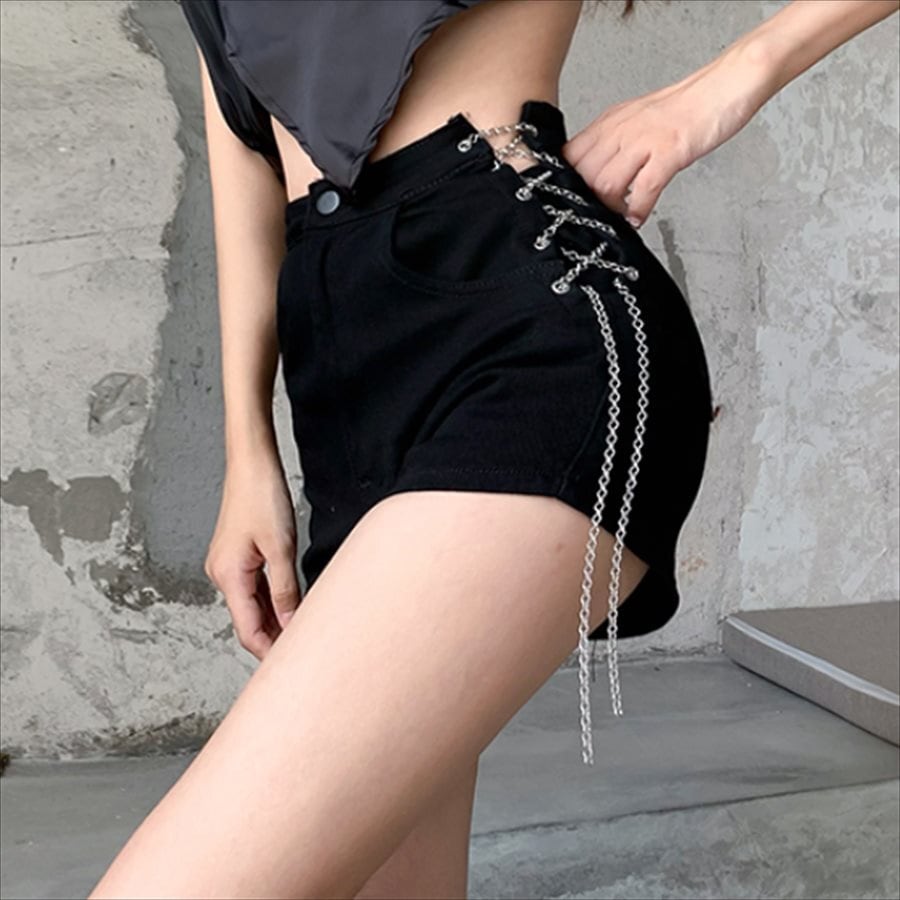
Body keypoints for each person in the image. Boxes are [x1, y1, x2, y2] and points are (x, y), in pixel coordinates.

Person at [88, 0, 899, 897]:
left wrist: (725, 82)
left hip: (526, 328)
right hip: (341, 375)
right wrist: (247, 448)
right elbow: (245, 137)